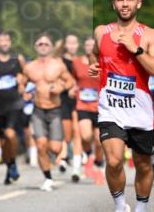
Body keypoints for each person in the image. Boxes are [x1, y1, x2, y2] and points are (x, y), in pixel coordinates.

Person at [89, 0, 154, 212]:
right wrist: (93, 67)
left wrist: (136, 49)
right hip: (110, 108)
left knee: (144, 166)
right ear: (114, 4)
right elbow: (93, 54)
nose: (124, 4)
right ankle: (120, 208)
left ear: (138, 3)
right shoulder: (101, 32)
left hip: (140, 111)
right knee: (113, 160)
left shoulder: (150, 35)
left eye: (129, 0)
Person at [20, 33, 74, 192]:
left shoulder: (58, 65)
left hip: (55, 110)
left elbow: (70, 81)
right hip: (38, 110)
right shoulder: (29, 67)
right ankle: (48, 177)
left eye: (46, 44)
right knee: (40, 145)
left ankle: (56, 158)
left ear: (50, 47)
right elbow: (21, 83)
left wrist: (61, 88)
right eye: (40, 44)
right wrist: (25, 92)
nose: (43, 46)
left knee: (56, 148)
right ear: (36, 47)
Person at [0, 31, 25, 186]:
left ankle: (13, 163)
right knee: (3, 142)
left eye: (7, 40)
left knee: (10, 133)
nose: (5, 43)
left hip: (15, 104)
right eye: (1, 40)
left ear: (10, 42)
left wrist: (23, 82)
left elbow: (27, 75)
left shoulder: (18, 59)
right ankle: (10, 167)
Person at [71, 35, 103, 181]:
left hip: (100, 106)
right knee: (85, 136)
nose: (90, 48)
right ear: (84, 47)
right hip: (82, 104)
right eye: (88, 45)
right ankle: (88, 153)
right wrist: (72, 88)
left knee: (98, 140)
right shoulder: (76, 62)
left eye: (93, 45)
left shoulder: (103, 62)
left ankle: (98, 161)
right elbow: (73, 79)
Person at [54, 33, 79, 174]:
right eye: (69, 43)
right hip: (63, 98)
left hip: (78, 99)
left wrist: (76, 88)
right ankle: (63, 157)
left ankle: (76, 158)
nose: (72, 46)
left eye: (74, 43)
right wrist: (66, 87)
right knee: (66, 132)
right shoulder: (60, 61)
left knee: (78, 130)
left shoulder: (81, 61)